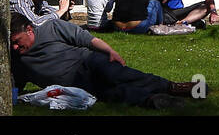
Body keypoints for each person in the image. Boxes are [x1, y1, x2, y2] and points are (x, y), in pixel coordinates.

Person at [9, 13, 199, 108]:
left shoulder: (52, 28)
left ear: (29, 30)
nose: (15, 47)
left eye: (17, 41)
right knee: (110, 93)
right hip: (75, 85)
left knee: (120, 75)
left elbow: (86, 39)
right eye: (12, 44)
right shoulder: (18, 61)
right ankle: (154, 100)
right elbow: (14, 88)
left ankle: (174, 87)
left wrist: (110, 51)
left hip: (89, 61)